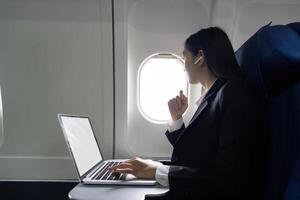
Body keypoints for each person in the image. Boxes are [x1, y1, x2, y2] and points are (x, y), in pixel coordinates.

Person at [109, 27, 268, 200]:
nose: (184, 66)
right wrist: (176, 119)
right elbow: (199, 153)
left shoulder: (234, 94)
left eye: (185, 56)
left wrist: (158, 171)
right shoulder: (217, 93)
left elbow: (228, 180)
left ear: (200, 57)